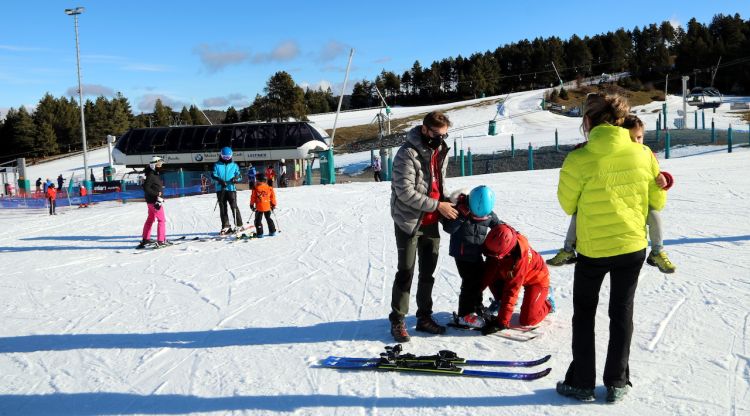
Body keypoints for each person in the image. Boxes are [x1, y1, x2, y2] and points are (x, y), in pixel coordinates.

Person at [555, 93, 666, 403]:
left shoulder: (578, 158)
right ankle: (617, 381)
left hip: (593, 250)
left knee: (584, 315)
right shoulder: (642, 154)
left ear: (588, 122)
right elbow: (656, 201)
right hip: (632, 247)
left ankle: (582, 383)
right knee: (622, 313)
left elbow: (567, 205)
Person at [547, 115, 676, 274]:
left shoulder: (645, 153)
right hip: (614, 203)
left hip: (637, 205)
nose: (636, 142)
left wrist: (665, 179)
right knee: (578, 213)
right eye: (631, 138)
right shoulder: (610, 152)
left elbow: (652, 178)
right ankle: (568, 249)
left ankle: (657, 251)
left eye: (639, 137)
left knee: (655, 214)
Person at [388, 110, 458, 342]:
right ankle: (398, 320)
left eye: (444, 135)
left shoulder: (441, 151)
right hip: (409, 221)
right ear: (425, 129)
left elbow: (439, 182)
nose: (441, 139)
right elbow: (405, 192)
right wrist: (438, 205)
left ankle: (424, 317)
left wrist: (448, 201)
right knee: (406, 271)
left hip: (431, 221)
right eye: (437, 135)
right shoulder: (406, 154)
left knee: (428, 272)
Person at [441, 185, 502, 328]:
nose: (480, 219)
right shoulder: (460, 210)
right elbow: (448, 228)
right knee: (469, 282)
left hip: (477, 252)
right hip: (462, 254)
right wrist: (461, 216)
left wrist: (511, 233)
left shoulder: (488, 213)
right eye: (476, 216)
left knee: (479, 279)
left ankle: (477, 306)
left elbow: (498, 226)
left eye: (482, 218)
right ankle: (464, 315)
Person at [480, 224, 554, 335]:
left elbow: (511, 291)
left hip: (537, 279)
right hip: (509, 271)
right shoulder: (502, 242)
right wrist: (474, 299)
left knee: (527, 320)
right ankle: (500, 302)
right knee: (492, 274)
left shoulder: (520, 261)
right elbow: (487, 273)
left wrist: (502, 322)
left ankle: (548, 302)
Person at [211, 147, 243, 234]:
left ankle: (239, 225)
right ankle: (226, 226)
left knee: (234, 206)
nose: (226, 159)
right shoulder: (217, 165)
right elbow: (213, 175)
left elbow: (239, 175)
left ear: (231, 156)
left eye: (228, 157)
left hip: (231, 189)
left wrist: (235, 179)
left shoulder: (234, 165)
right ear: (221, 155)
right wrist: (220, 180)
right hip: (220, 189)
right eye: (224, 157)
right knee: (223, 208)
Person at [138, 156, 168, 248]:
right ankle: (161, 241)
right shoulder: (151, 175)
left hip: (151, 201)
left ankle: (146, 239)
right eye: (159, 164)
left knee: (150, 219)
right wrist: (157, 194)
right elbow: (146, 188)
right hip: (155, 202)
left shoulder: (152, 174)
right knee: (161, 220)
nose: (161, 166)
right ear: (154, 165)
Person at [250, 172, 277, 237]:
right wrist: (273, 204)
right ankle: (272, 231)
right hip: (267, 207)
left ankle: (260, 233)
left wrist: (251, 204)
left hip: (259, 208)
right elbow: (272, 197)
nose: (256, 181)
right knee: (268, 218)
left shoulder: (255, 188)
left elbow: (253, 197)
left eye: (257, 180)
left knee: (258, 220)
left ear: (259, 180)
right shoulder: (269, 188)